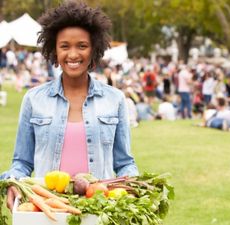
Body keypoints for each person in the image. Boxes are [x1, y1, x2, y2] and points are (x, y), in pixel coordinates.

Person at [1, 0, 138, 211]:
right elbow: (22, 162)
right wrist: (13, 181)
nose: (73, 54)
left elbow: (124, 163)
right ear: (54, 50)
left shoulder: (115, 99)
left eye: (82, 46)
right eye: (65, 46)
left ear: (94, 49)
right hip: (47, 208)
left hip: (100, 210)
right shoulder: (33, 99)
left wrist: (136, 184)